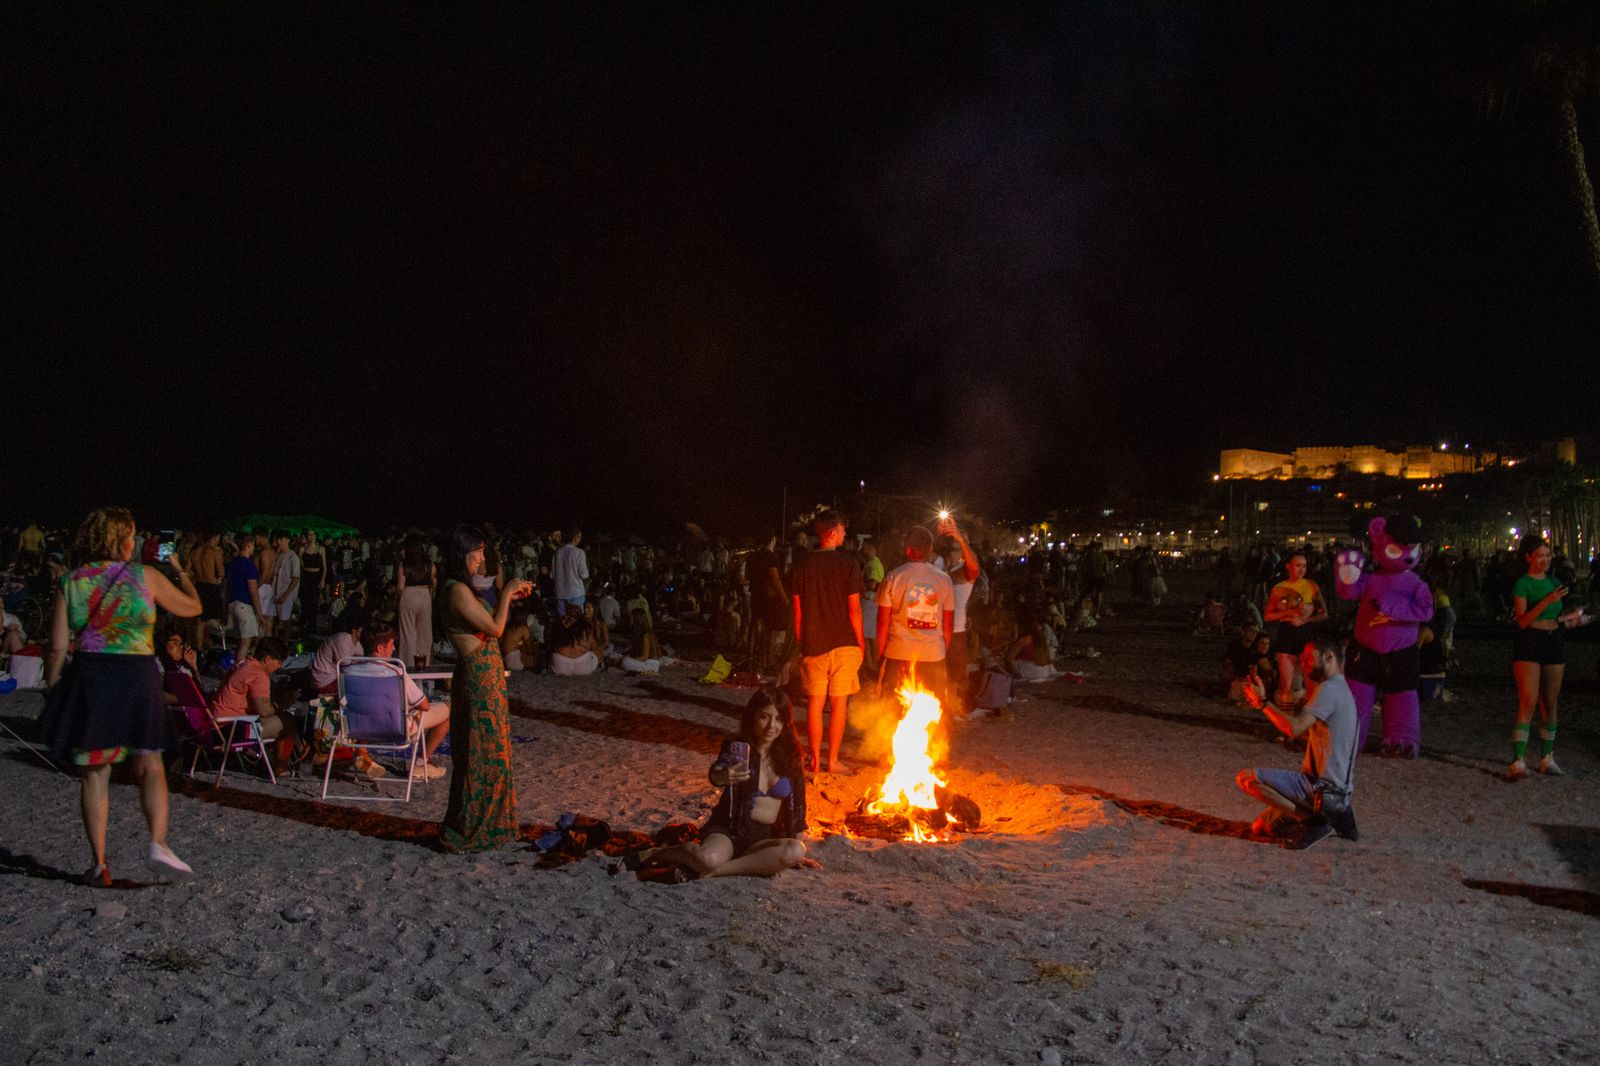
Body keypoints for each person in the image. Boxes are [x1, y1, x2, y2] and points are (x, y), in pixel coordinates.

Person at [41, 507, 204, 885]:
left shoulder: (72, 581)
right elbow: (193, 608)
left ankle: (99, 865)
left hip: (92, 674)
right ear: (123, 540)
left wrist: (52, 685)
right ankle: (157, 843)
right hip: (137, 674)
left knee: (95, 773)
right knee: (149, 761)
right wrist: (178, 568)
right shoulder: (143, 576)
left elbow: (56, 646)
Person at [618, 687, 816, 881]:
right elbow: (717, 772)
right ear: (753, 717)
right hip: (730, 829)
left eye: (779, 719)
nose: (771, 725)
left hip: (765, 837)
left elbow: (798, 805)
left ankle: (711, 872)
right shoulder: (737, 749)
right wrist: (723, 774)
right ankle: (656, 854)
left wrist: (798, 850)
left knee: (795, 850)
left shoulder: (791, 757)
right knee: (707, 858)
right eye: (764, 716)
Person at [438, 526, 533, 852]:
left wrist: (507, 596)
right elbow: (494, 627)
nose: (482, 556)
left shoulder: (465, 587)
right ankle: (473, 827)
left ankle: (496, 825)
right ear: (463, 554)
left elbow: (489, 621)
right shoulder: (454, 591)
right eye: (477, 551)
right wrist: (505, 593)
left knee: (496, 751)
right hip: (477, 675)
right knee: (480, 751)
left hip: (487, 672)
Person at [1235, 637, 1360, 846]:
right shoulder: (1341, 689)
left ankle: (1314, 821)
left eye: (1309, 659)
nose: (1304, 664)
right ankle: (1339, 818)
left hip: (1321, 789)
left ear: (1329, 656)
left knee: (1246, 779)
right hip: (1335, 790)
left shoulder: (1329, 689)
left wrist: (1262, 704)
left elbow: (1293, 729)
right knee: (1261, 827)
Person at [1506, 534, 1593, 780]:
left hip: (1553, 642)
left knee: (1550, 702)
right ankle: (1518, 760)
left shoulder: (1554, 581)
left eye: (1547, 555)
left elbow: (1553, 618)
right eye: (1539, 555)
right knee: (1529, 700)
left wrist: (1571, 620)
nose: (1544, 559)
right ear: (1528, 558)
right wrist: (1547, 601)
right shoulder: (1523, 584)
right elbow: (1522, 620)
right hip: (1529, 643)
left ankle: (1547, 758)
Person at [788, 510, 866, 774]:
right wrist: (861, 643)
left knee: (815, 703)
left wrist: (801, 641)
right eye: (843, 529)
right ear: (832, 533)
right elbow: (854, 609)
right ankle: (832, 760)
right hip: (844, 643)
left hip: (814, 644)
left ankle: (813, 760)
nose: (845, 534)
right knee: (839, 704)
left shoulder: (802, 565)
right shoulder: (848, 564)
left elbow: (797, 611)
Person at [874, 525, 954, 699]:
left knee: (892, 710)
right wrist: (941, 651)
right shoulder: (944, 579)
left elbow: (882, 622)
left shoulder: (894, 577)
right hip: (933, 654)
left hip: (898, 653)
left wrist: (881, 654)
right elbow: (948, 623)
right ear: (930, 549)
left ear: (907, 548)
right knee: (931, 714)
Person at [362, 622, 449, 779]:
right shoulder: (395, 672)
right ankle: (421, 763)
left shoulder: (348, 669)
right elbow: (424, 705)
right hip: (396, 727)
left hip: (360, 726)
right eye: (391, 644)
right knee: (449, 709)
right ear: (380, 649)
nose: (394, 649)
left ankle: (361, 754)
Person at [212, 636, 300, 775]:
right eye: (278, 662)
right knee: (286, 720)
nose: (279, 666)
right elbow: (264, 711)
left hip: (214, 725)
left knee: (276, 718)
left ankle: (267, 761)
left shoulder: (242, 665)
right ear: (268, 659)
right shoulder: (258, 674)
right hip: (232, 730)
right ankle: (281, 767)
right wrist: (282, 704)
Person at [1263, 552, 1327, 709]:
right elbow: (1268, 616)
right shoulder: (1279, 588)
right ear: (1288, 567)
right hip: (1287, 635)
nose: (1302, 569)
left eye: (1304, 566)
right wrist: (1287, 613)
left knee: (1310, 683)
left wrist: (1306, 619)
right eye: (1298, 565)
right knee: (1287, 684)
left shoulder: (1311, 586)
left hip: (1306, 634)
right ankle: (1287, 726)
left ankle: (1308, 724)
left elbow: (1324, 614)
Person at [395, 540, 436, 670]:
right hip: (425, 595)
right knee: (425, 633)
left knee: (408, 633)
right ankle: (426, 667)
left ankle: (409, 667)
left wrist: (397, 598)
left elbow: (400, 586)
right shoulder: (430, 564)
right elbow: (434, 583)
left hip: (408, 595)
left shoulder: (404, 564)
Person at [225, 532, 263, 659]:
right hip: (244, 605)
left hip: (232, 603)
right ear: (249, 545)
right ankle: (239, 668)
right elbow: (253, 592)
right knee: (245, 643)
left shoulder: (233, 563)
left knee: (241, 641)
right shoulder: (249, 566)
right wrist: (260, 614)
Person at [265, 529, 301, 644]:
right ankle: (276, 640)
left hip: (286, 593)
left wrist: (286, 595)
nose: (279, 541)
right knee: (275, 618)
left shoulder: (293, 557)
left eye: (281, 539)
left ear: (287, 540)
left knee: (285, 619)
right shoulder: (279, 555)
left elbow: (295, 578)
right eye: (278, 539)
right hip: (276, 591)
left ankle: (285, 642)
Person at [553, 529, 589, 618]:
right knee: (576, 622)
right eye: (579, 537)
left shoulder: (557, 552)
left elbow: (553, 574)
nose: (580, 539)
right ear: (575, 537)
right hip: (575, 592)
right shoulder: (579, 552)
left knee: (563, 622)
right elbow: (584, 574)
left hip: (560, 592)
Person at [298, 530, 328, 635]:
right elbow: (299, 564)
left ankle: (312, 625)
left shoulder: (321, 549)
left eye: (313, 534)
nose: (311, 537)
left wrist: (323, 579)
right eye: (309, 535)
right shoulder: (303, 549)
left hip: (316, 576)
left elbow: (324, 566)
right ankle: (303, 622)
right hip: (306, 576)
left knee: (314, 602)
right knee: (305, 601)